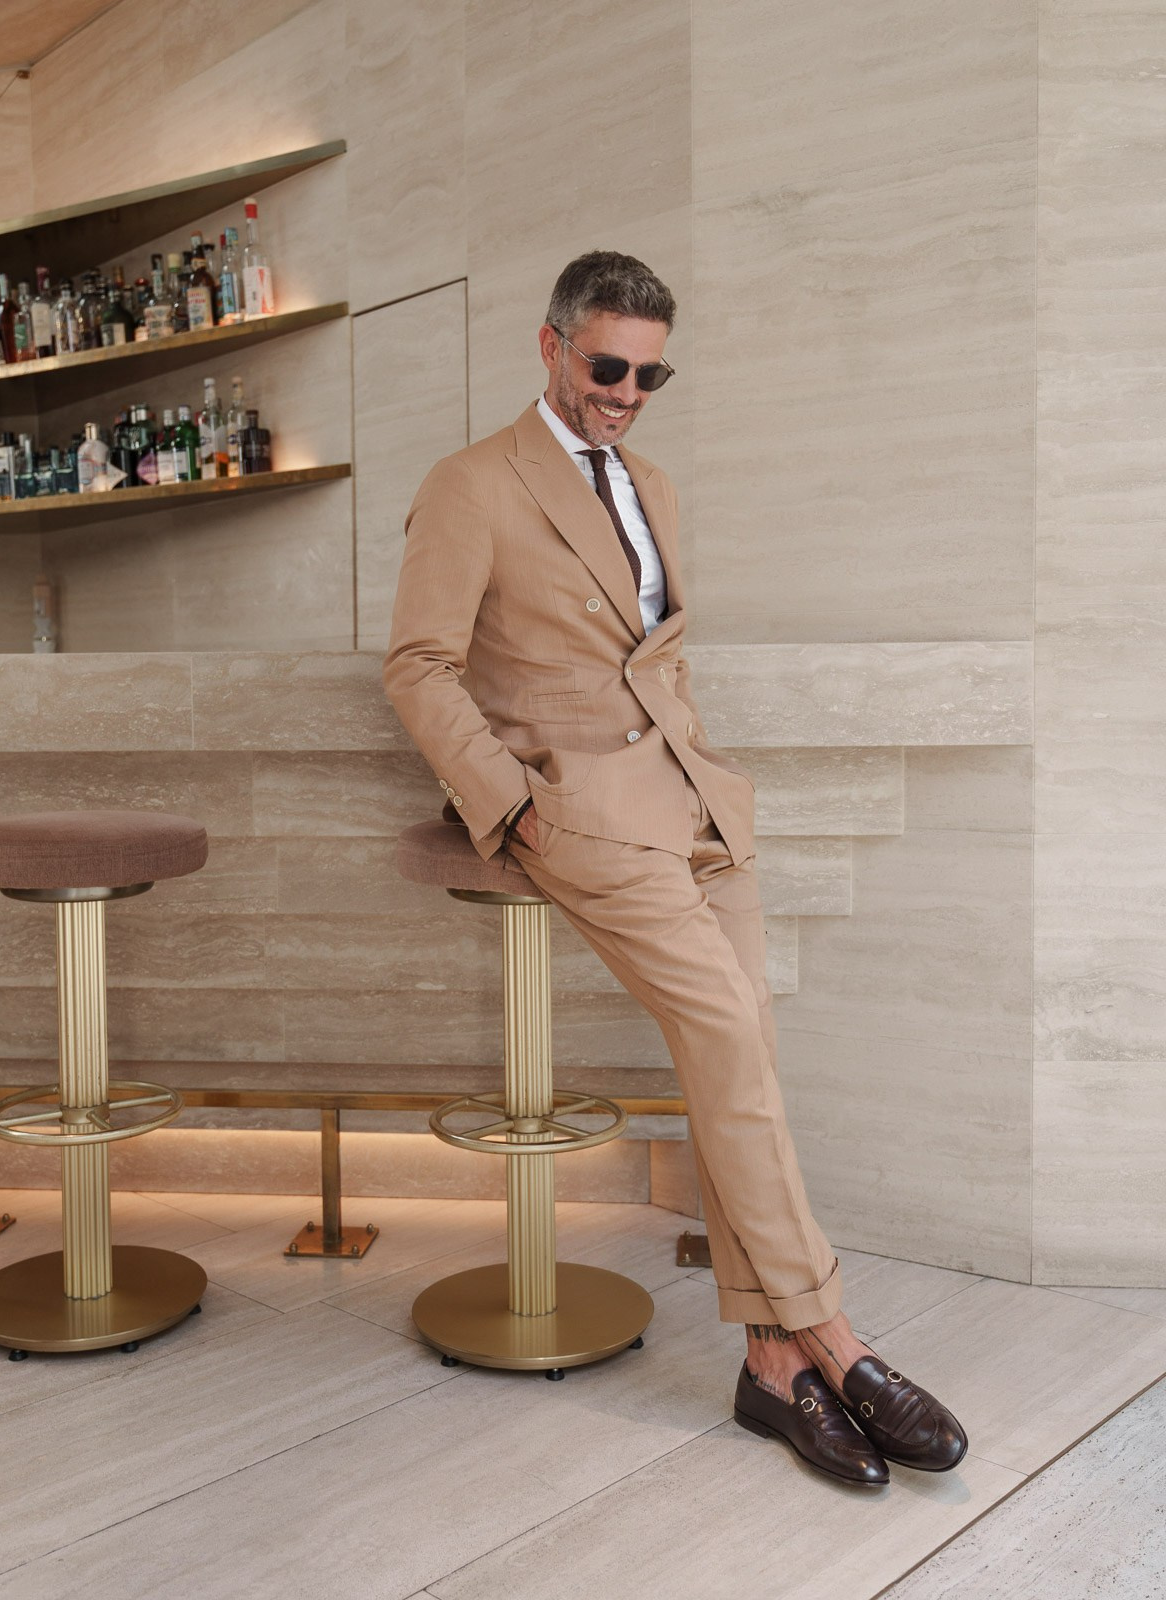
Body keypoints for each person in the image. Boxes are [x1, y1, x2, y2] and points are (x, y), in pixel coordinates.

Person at [383, 249, 967, 1488]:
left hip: (694, 802)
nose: (626, 392)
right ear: (548, 347)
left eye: (650, 374)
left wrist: (700, 765)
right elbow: (418, 667)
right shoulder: (470, 485)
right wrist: (512, 808)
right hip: (577, 812)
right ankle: (830, 1334)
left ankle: (768, 1370)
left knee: (743, 1037)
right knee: (721, 1030)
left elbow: (662, 656)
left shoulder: (650, 482)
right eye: (606, 366)